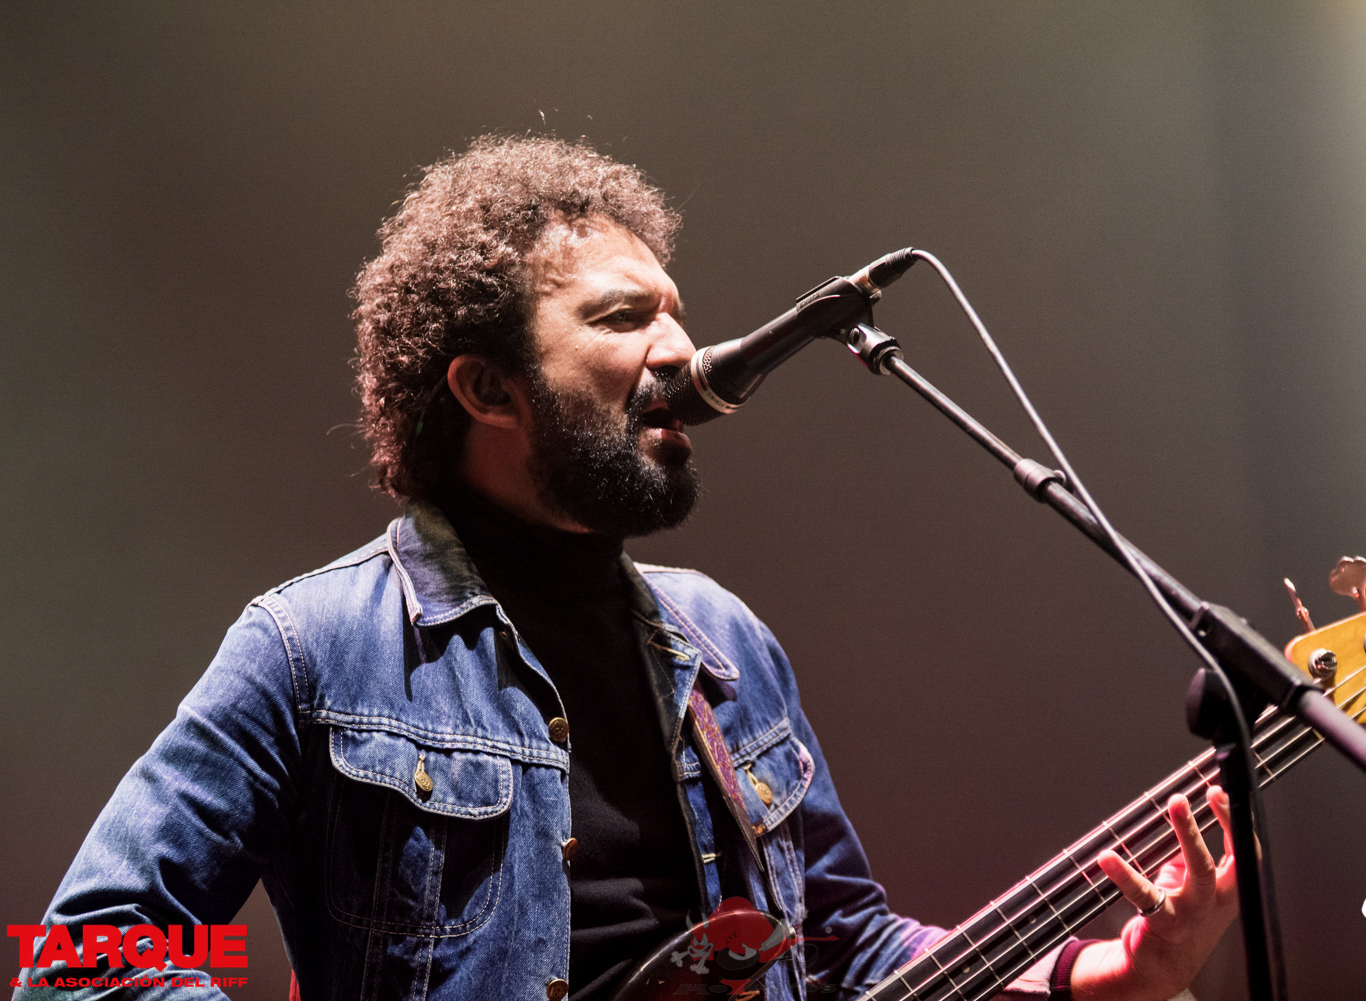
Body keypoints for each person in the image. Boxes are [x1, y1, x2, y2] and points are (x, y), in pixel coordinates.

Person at [19, 136, 1238, 1001]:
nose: (684, 350)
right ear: (488, 387)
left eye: (675, 308)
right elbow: (85, 952)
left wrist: (1100, 970)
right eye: (621, 318)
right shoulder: (316, 646)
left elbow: (847, 951)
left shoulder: (723, 642)